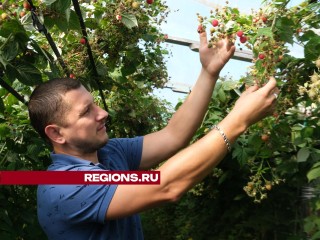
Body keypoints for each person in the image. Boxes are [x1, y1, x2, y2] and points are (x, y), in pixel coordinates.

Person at [28, 30, 279, 240]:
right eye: (86, 112)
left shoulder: (110, 152)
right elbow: (165, 186)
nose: (103, 113)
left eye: (95, 104)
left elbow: (173, 136)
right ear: (56, 133)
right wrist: (238, 120)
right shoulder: (63, 186)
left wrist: (208, 73)